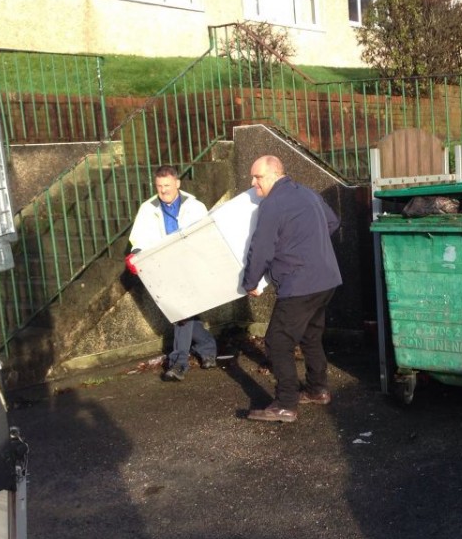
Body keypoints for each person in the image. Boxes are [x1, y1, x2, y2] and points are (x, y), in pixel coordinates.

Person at [242, 155, 342, 423]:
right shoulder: (308, 194)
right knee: (310, 336)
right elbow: (332, 222)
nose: (253, 183)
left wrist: (250, 282)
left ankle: (285, 403)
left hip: (300, 284)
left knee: (278, 341)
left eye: (258, 177)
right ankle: (317, 390)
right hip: (327, 280)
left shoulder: (273, 204)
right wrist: (307, 243)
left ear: (275, 174)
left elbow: (261, 248)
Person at [126, 164, 218, 382]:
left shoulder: (196, 207)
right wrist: (136, 253)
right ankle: (207, 348)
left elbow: (207, 235)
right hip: (164, 268)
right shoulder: (148, 209)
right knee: (184, 314)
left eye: (167, 185)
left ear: (177, 183)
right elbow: (139, 237)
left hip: (191, 267)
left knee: (182, 314)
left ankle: (178, 364)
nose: (163, 190)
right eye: (159, 186)